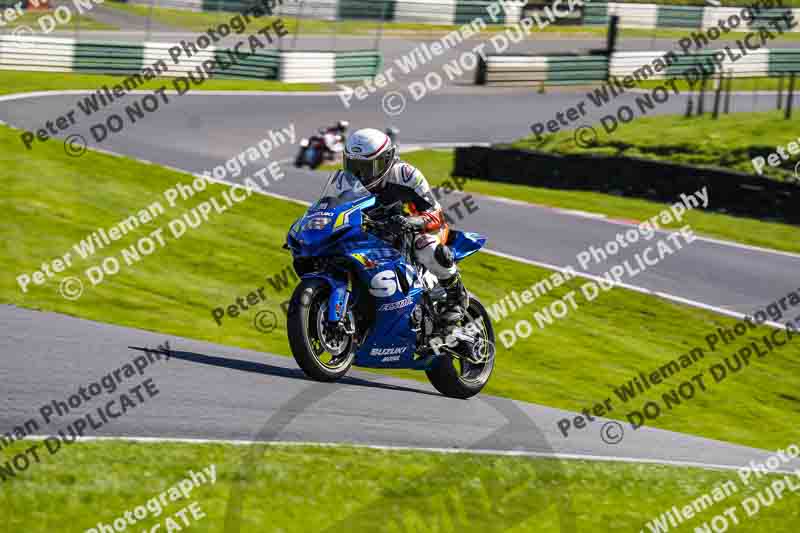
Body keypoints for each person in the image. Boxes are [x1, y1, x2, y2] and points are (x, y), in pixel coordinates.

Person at [337, 127, 468, 323]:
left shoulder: (405, 175)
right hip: (378, 233)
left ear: (386, 160)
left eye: (366, 168)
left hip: (418, 228)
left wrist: (411, 221)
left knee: (424, 245)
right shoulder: (346, 184)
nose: (359, 175)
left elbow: (436, 215)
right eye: (353, 166)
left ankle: (456, 295)